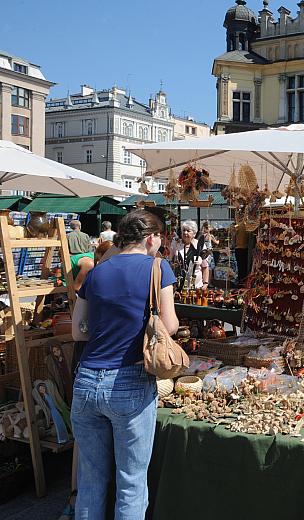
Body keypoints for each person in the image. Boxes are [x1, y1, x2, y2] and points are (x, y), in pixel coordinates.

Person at [70, 209, 178, 519]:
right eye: (159, 238)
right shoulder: (158, 268)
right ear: (150, 238)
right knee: (130, 484)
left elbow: (78, 331)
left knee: (90, 481)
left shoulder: (97, 270)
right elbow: (169, 325)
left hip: (87, 379)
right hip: (129, 379)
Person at [171, 220, 209, 289]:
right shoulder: (176, 244)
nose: (185, 233)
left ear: (194, 233)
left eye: (188, 231)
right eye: (184, 230)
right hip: (179, 285)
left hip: (196, 286)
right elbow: (171, 261)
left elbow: (205, 266)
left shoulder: (199, 245)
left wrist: (205, 283)